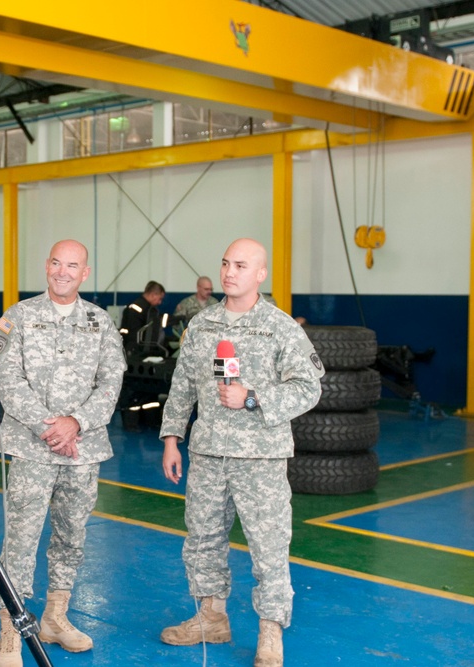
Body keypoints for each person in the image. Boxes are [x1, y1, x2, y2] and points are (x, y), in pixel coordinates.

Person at [158, 238, 324, 667]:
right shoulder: (202, 324)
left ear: (260, 274)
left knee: (268, 545)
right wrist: (172, 438)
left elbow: (308, 387)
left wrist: (252, 397)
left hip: (260, 458)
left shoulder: (280, 326)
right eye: (226, 264)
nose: (231, 272)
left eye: (242, 265)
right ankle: (210, 617)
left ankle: (270, 632)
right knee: (203, 539)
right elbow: (183, 385)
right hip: (209, 453)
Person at [0, 239, 126, 667]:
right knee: (21, 539)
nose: (63, 272)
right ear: (46, 266)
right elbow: (5, 378)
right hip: (32, 448)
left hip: (82, 449)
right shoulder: (19, 318)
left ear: (85, 273)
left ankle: (55, 617)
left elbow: (111, 382)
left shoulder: (99, 322)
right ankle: (11, 631)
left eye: (73, 265)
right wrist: (50, 428)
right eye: (56, 263)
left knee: (71, 537)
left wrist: (76, 423)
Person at [120, 280, 166, 352]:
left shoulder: (147, 309)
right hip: (135, 350)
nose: (159, 302)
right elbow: (134, 333)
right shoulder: (140, 309)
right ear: (153, 295)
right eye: (160, 299)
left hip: (135, 348)